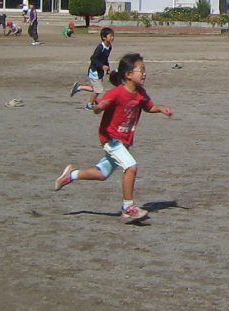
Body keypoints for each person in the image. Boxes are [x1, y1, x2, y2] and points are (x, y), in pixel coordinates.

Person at [53, 52, 173, 223]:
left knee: (101, 174)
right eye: (141, 70)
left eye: (144, 70)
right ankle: (128, 208)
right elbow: (102, 104)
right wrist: (98, 107)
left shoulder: (140, 93)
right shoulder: (116, 93)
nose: (145, 73)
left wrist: (160, 109)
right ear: (128, 75)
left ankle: (71, 175)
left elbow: (148, 107)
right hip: (111, 138)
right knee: (131, 167)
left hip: (124, 142)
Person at [71, 27, 115, 110]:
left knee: (96, 88)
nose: (112, 38)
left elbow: (105, 58)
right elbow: (93, 59)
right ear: (104, 37)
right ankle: (89, 105)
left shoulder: (109, 47)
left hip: (100, 71)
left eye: (113, 36)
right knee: (98, 90)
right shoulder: (100, 47)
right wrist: (102, 66)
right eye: (110, 36)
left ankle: (79, 87)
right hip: (94, 71)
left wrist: (107, 67)